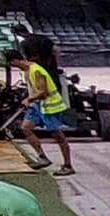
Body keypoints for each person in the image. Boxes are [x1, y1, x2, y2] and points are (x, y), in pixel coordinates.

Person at [14, 25, 81, 176]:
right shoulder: (44, 39)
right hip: (52, 75)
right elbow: (56, 51)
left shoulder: (25, 46)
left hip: (44, 92)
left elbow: (43, 92)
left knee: (56, 134)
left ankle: (68, 165)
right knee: (26, 127)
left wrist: (29, 97)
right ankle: (42, 157)